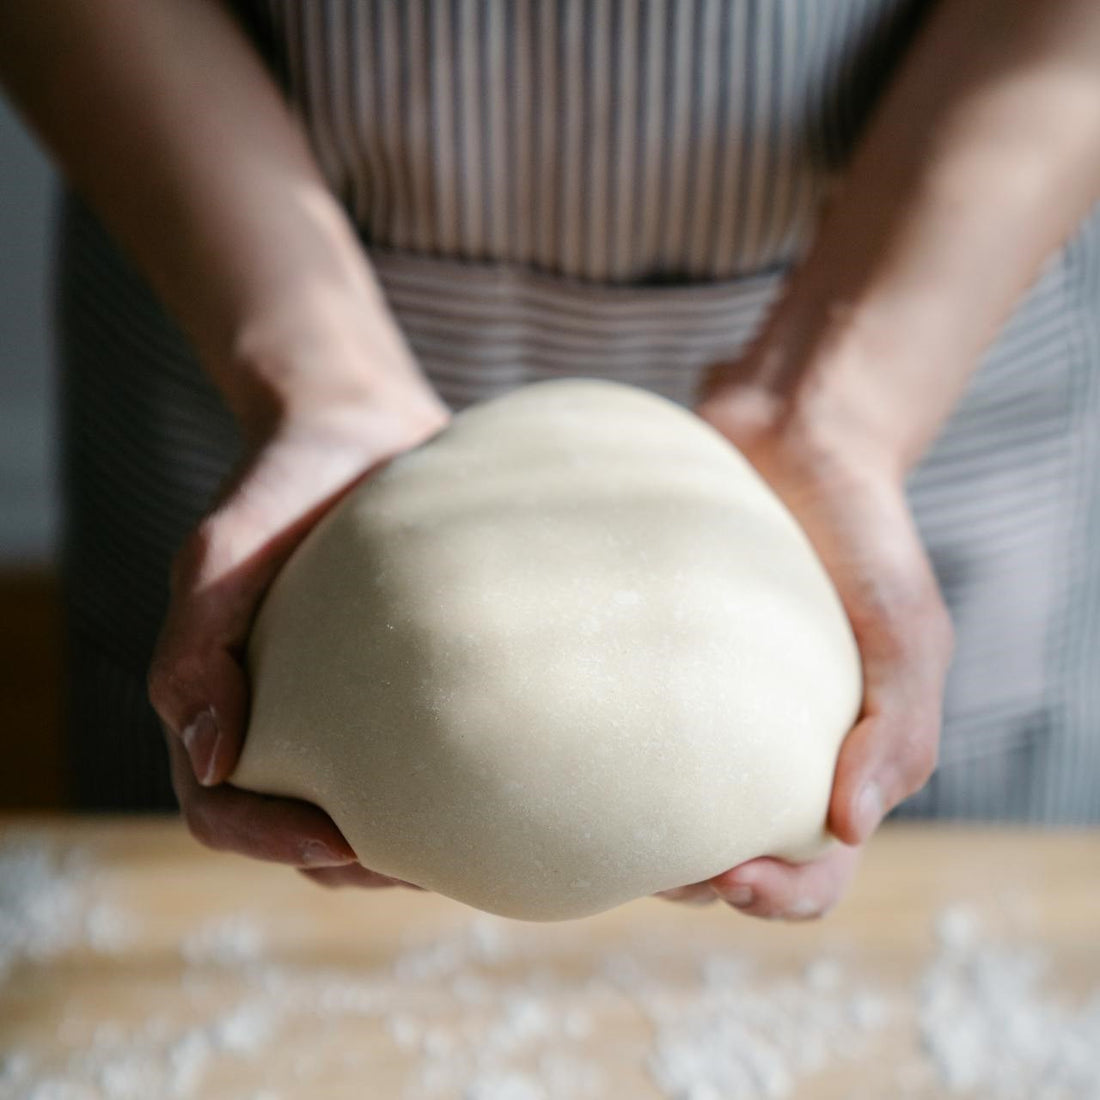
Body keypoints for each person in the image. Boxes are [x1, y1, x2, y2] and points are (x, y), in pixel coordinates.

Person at [1, 0, 1098, 921]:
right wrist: (311, 377)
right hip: (231, 283)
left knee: (951, 942)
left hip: (924, 313)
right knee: (188, 909)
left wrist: (842, 417)